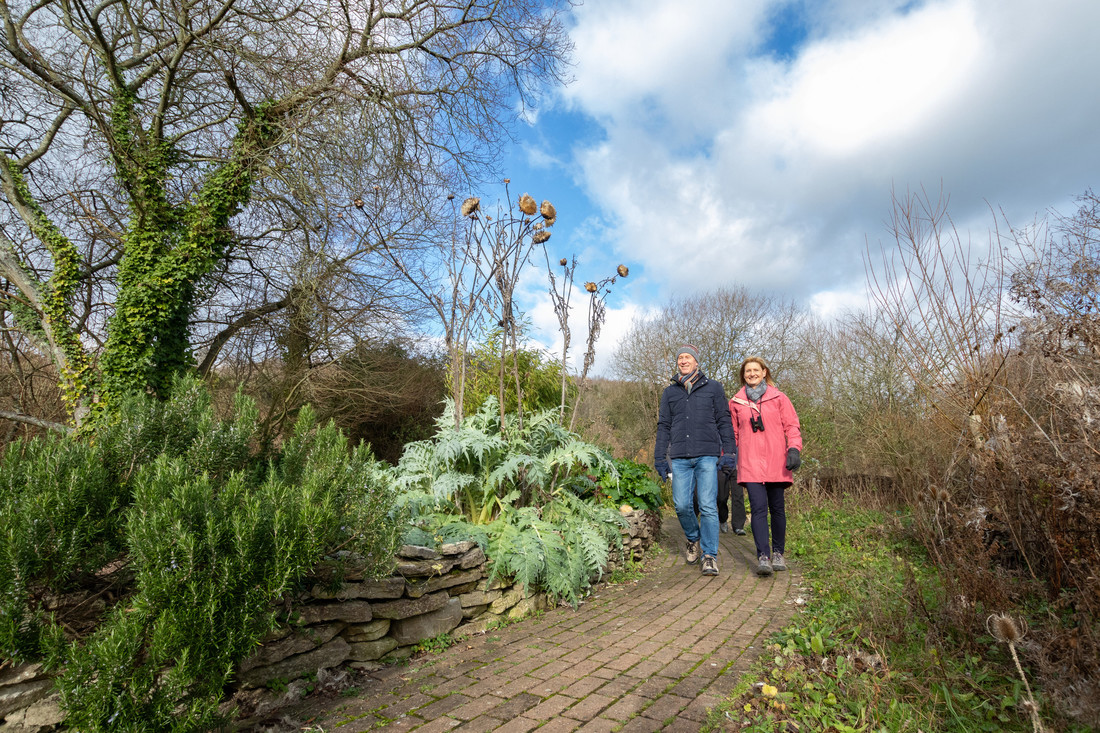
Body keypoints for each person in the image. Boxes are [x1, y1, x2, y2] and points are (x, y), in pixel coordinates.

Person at [655, 345, 737, 577]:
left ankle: (709, 555)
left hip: (707, 454)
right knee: (681, 504)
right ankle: (693, 538)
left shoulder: (714, 388)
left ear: (696, 362)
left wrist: (729, 452)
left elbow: (723, 420)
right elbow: (663, 426)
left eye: (687, 357)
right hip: (680, 456)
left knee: (708, 504)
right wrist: (660, 457)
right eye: (679, 357)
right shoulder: (670, 393)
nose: (683, 360)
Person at [729, 357, 802, 577]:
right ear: (743, 375)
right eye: (747, 371)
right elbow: (732, 435)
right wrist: (728, 457)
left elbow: (792, 426)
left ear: (764, 372)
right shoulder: (735, 403)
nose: (751, 373)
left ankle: (779, 552)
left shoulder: (779, 398)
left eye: (755, 370)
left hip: (776, 462)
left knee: (777, 509)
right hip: (750, 463)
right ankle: (763, 556)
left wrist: (794, 449)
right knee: (758, 510)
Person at [717, 468, 747, 535]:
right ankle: (723, 519)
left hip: (736, 466)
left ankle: (738, 526)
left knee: (738, 495)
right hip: (721, 465)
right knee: (721, 498)